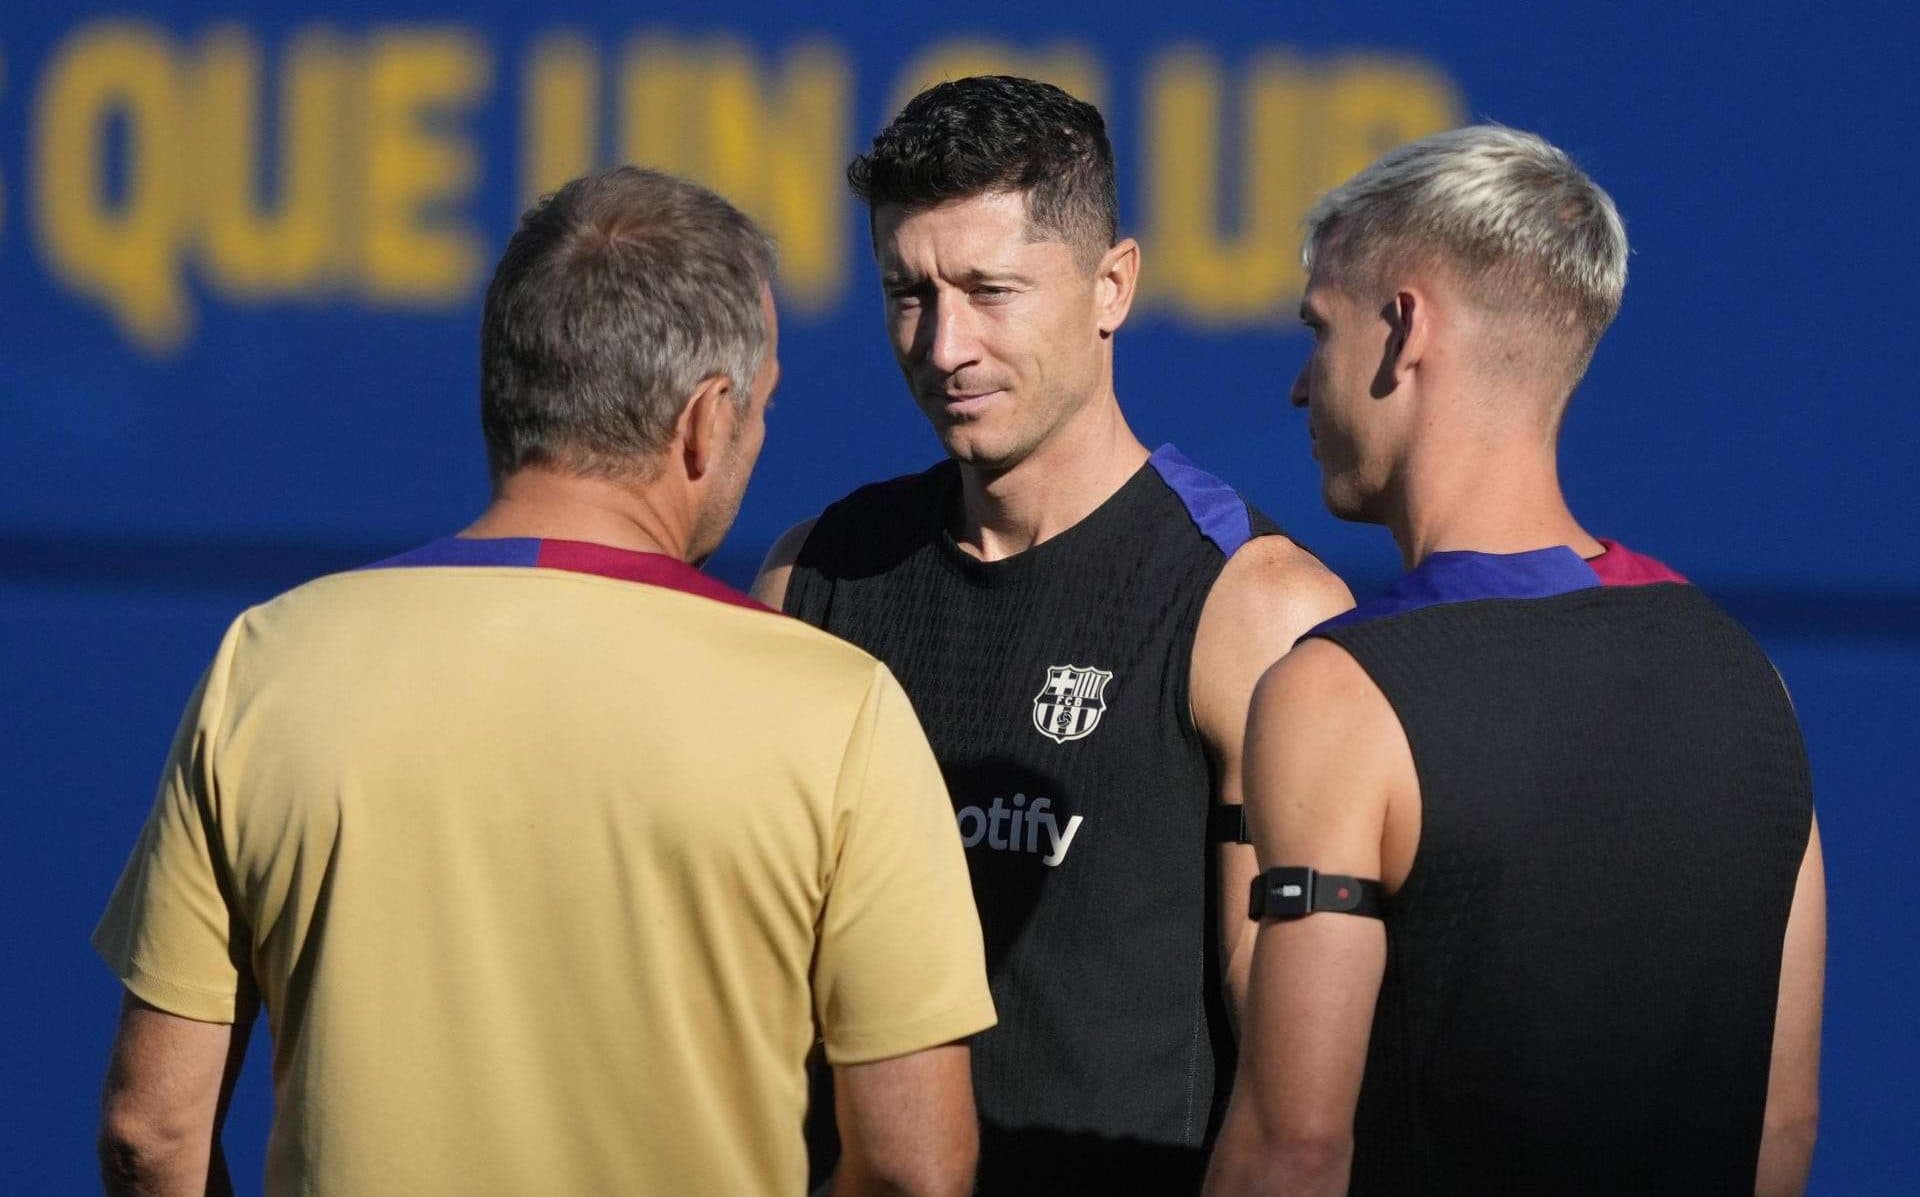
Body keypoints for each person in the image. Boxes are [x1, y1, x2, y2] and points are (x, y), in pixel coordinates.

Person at [92, 166, 995, 1197]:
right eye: (760, 409)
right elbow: (918, 1169)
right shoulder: (842, 711)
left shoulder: (270, 663)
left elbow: (149, 1134)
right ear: (704, 421)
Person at [753, 76, 1353, 1195]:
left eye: (990, 290)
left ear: (1110, 286)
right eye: (907, 293)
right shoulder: (814, 578)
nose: (944, 346)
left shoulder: (1253, 609)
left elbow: (1298, 1099)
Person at [1203, 126, 1824, 1196]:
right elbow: (1781, 1126)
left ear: (1402, 332)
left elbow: (1293, 1152)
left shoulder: (1337, 692)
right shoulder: (1750, 680)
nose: (1301, 390)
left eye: (1319, 330)